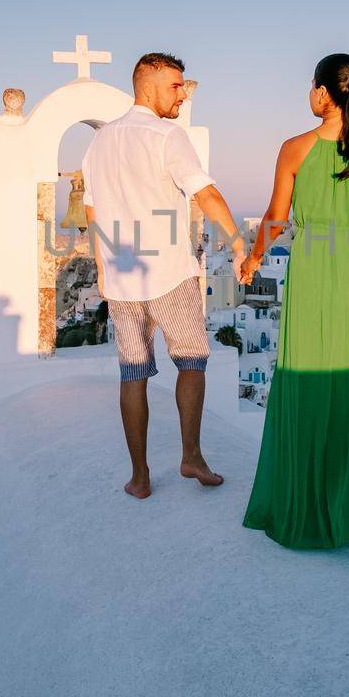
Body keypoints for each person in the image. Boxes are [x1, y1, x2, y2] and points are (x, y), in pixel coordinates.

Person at [240, 53, 349, 548]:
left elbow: (275, 217)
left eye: (310, 86)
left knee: (307, 387)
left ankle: (307, 512)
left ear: (322, 93)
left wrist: (252, 260)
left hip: (313, 272)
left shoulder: (294, 149)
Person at [82, 52, 246, 500]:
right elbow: (205, 192)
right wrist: (236, 241)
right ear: (148, 85)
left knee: (132, 373)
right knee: (191, 359)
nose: (182, 94)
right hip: (170, 273)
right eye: (176, 86)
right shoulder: (165, 135)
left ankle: (140, 476)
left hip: (121, 276)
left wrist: (101, 265)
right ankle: (191, 456)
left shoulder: (98, 142)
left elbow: (92, 210)